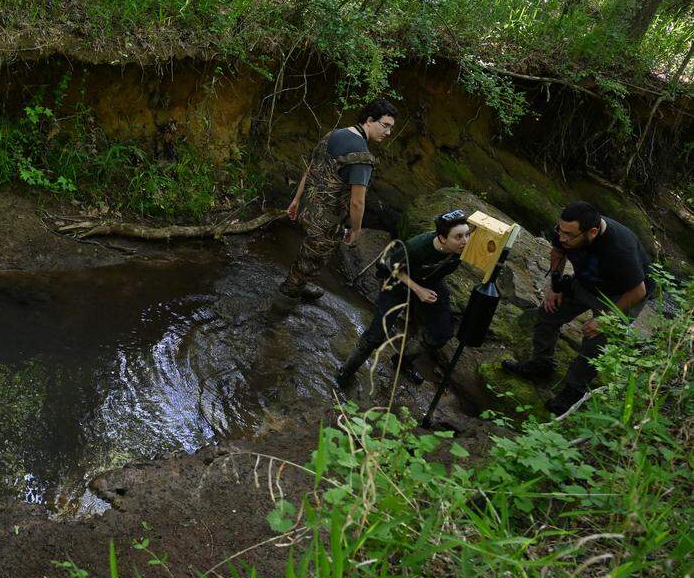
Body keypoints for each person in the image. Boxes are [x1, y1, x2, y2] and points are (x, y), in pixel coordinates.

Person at [502, 201, 654, 418]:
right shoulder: (566, 230)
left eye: (569, 235)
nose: (562, 238)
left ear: (592, 232)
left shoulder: (620, 247)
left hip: (623, 293)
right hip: (587, 281)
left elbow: (638, 291)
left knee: (596, 340)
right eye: (560, 231)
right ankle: (541, 364)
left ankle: (574, 390)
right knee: (548, 312)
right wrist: (554, 287)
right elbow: (557, 252)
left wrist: (606, 319)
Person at [335, 210, 472, 388]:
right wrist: (418, 290)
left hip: (430, 280)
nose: (465, 241)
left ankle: (402, 361)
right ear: (443, 238)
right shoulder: (418, 247)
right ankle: (346, 371)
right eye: (459, 237)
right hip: (397, 282)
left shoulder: (464, 247)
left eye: (467, 235)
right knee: (376, 334)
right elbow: (391, 264)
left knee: (440, 334)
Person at [279, 98, 398, 301]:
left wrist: (296, 201)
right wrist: (356, 229)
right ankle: (285, 300)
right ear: (369, 120)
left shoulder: (333, 134)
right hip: (326, 221)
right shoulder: (362, 157)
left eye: (391, 128)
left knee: (307, 254)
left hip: (307, 207)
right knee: (312, 261)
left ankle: (298, 282)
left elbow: (310, 170)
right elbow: (357, 202)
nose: (388, 133)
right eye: (385, 126)